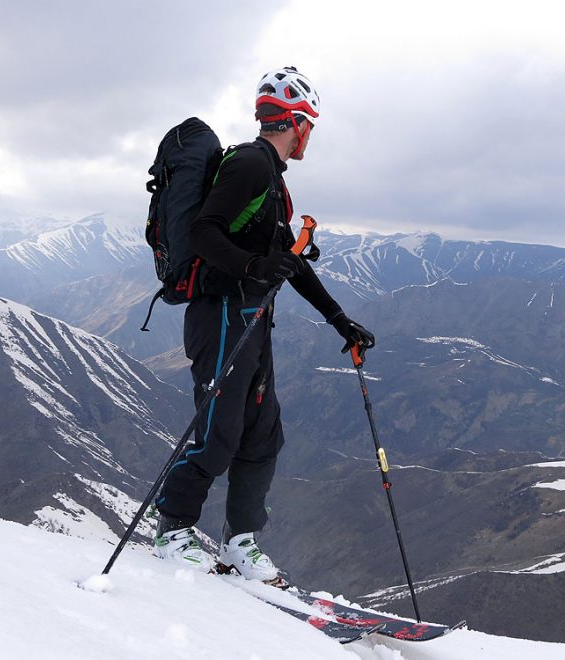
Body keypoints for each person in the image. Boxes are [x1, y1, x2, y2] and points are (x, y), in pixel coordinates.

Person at [153, 66, 375, 582]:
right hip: (223, 315)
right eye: (310, 126)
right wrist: (252, 266)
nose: (309, 137)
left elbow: (288, 262)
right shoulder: (252, 167)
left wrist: (339, 320)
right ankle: (173, 526)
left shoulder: (271, 181)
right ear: (296, 122)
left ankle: (240, 541)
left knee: (262, 434)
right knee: (219, 432)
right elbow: (204, 232)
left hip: (250, 318)